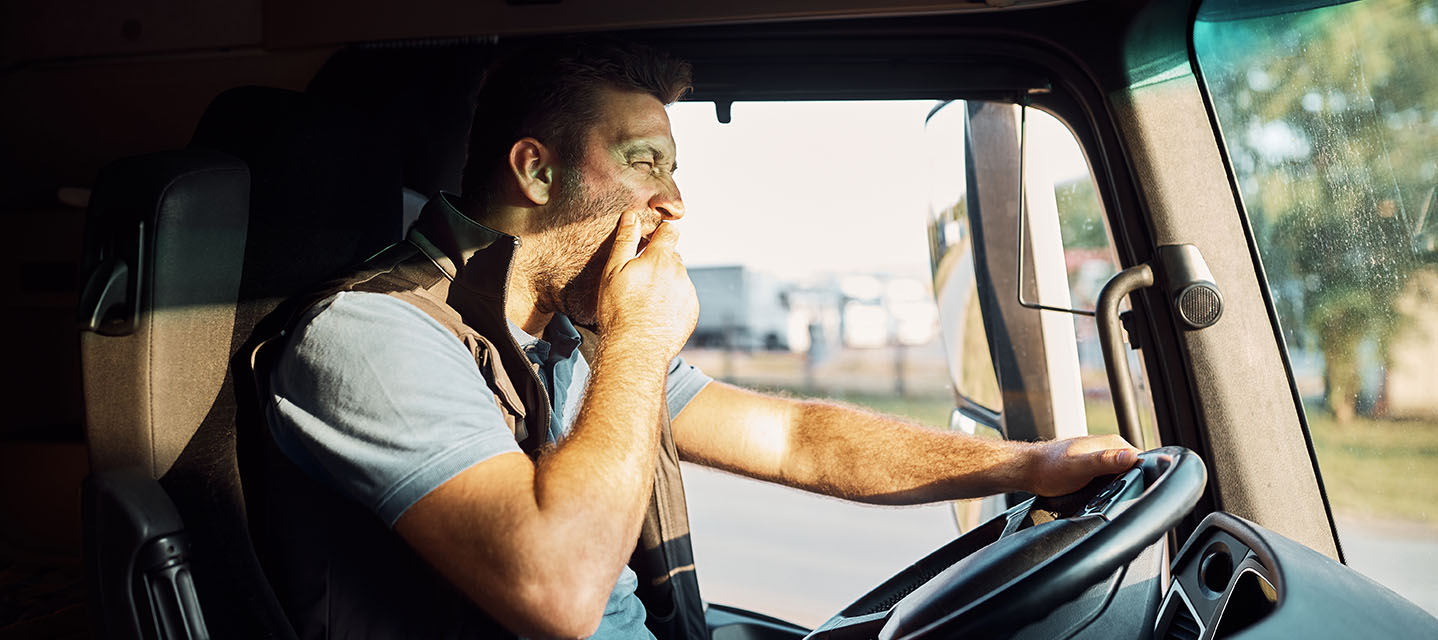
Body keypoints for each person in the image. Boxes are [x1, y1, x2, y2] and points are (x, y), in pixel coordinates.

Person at [262, 37, 1141, 640]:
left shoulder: (572, 337)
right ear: (535, 170)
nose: (676, 202)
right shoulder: (371, 332)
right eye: (643, 161)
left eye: (675, 169)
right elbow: (557, 588)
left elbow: (796, 438)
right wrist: (641, 336)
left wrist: (1029, 465)